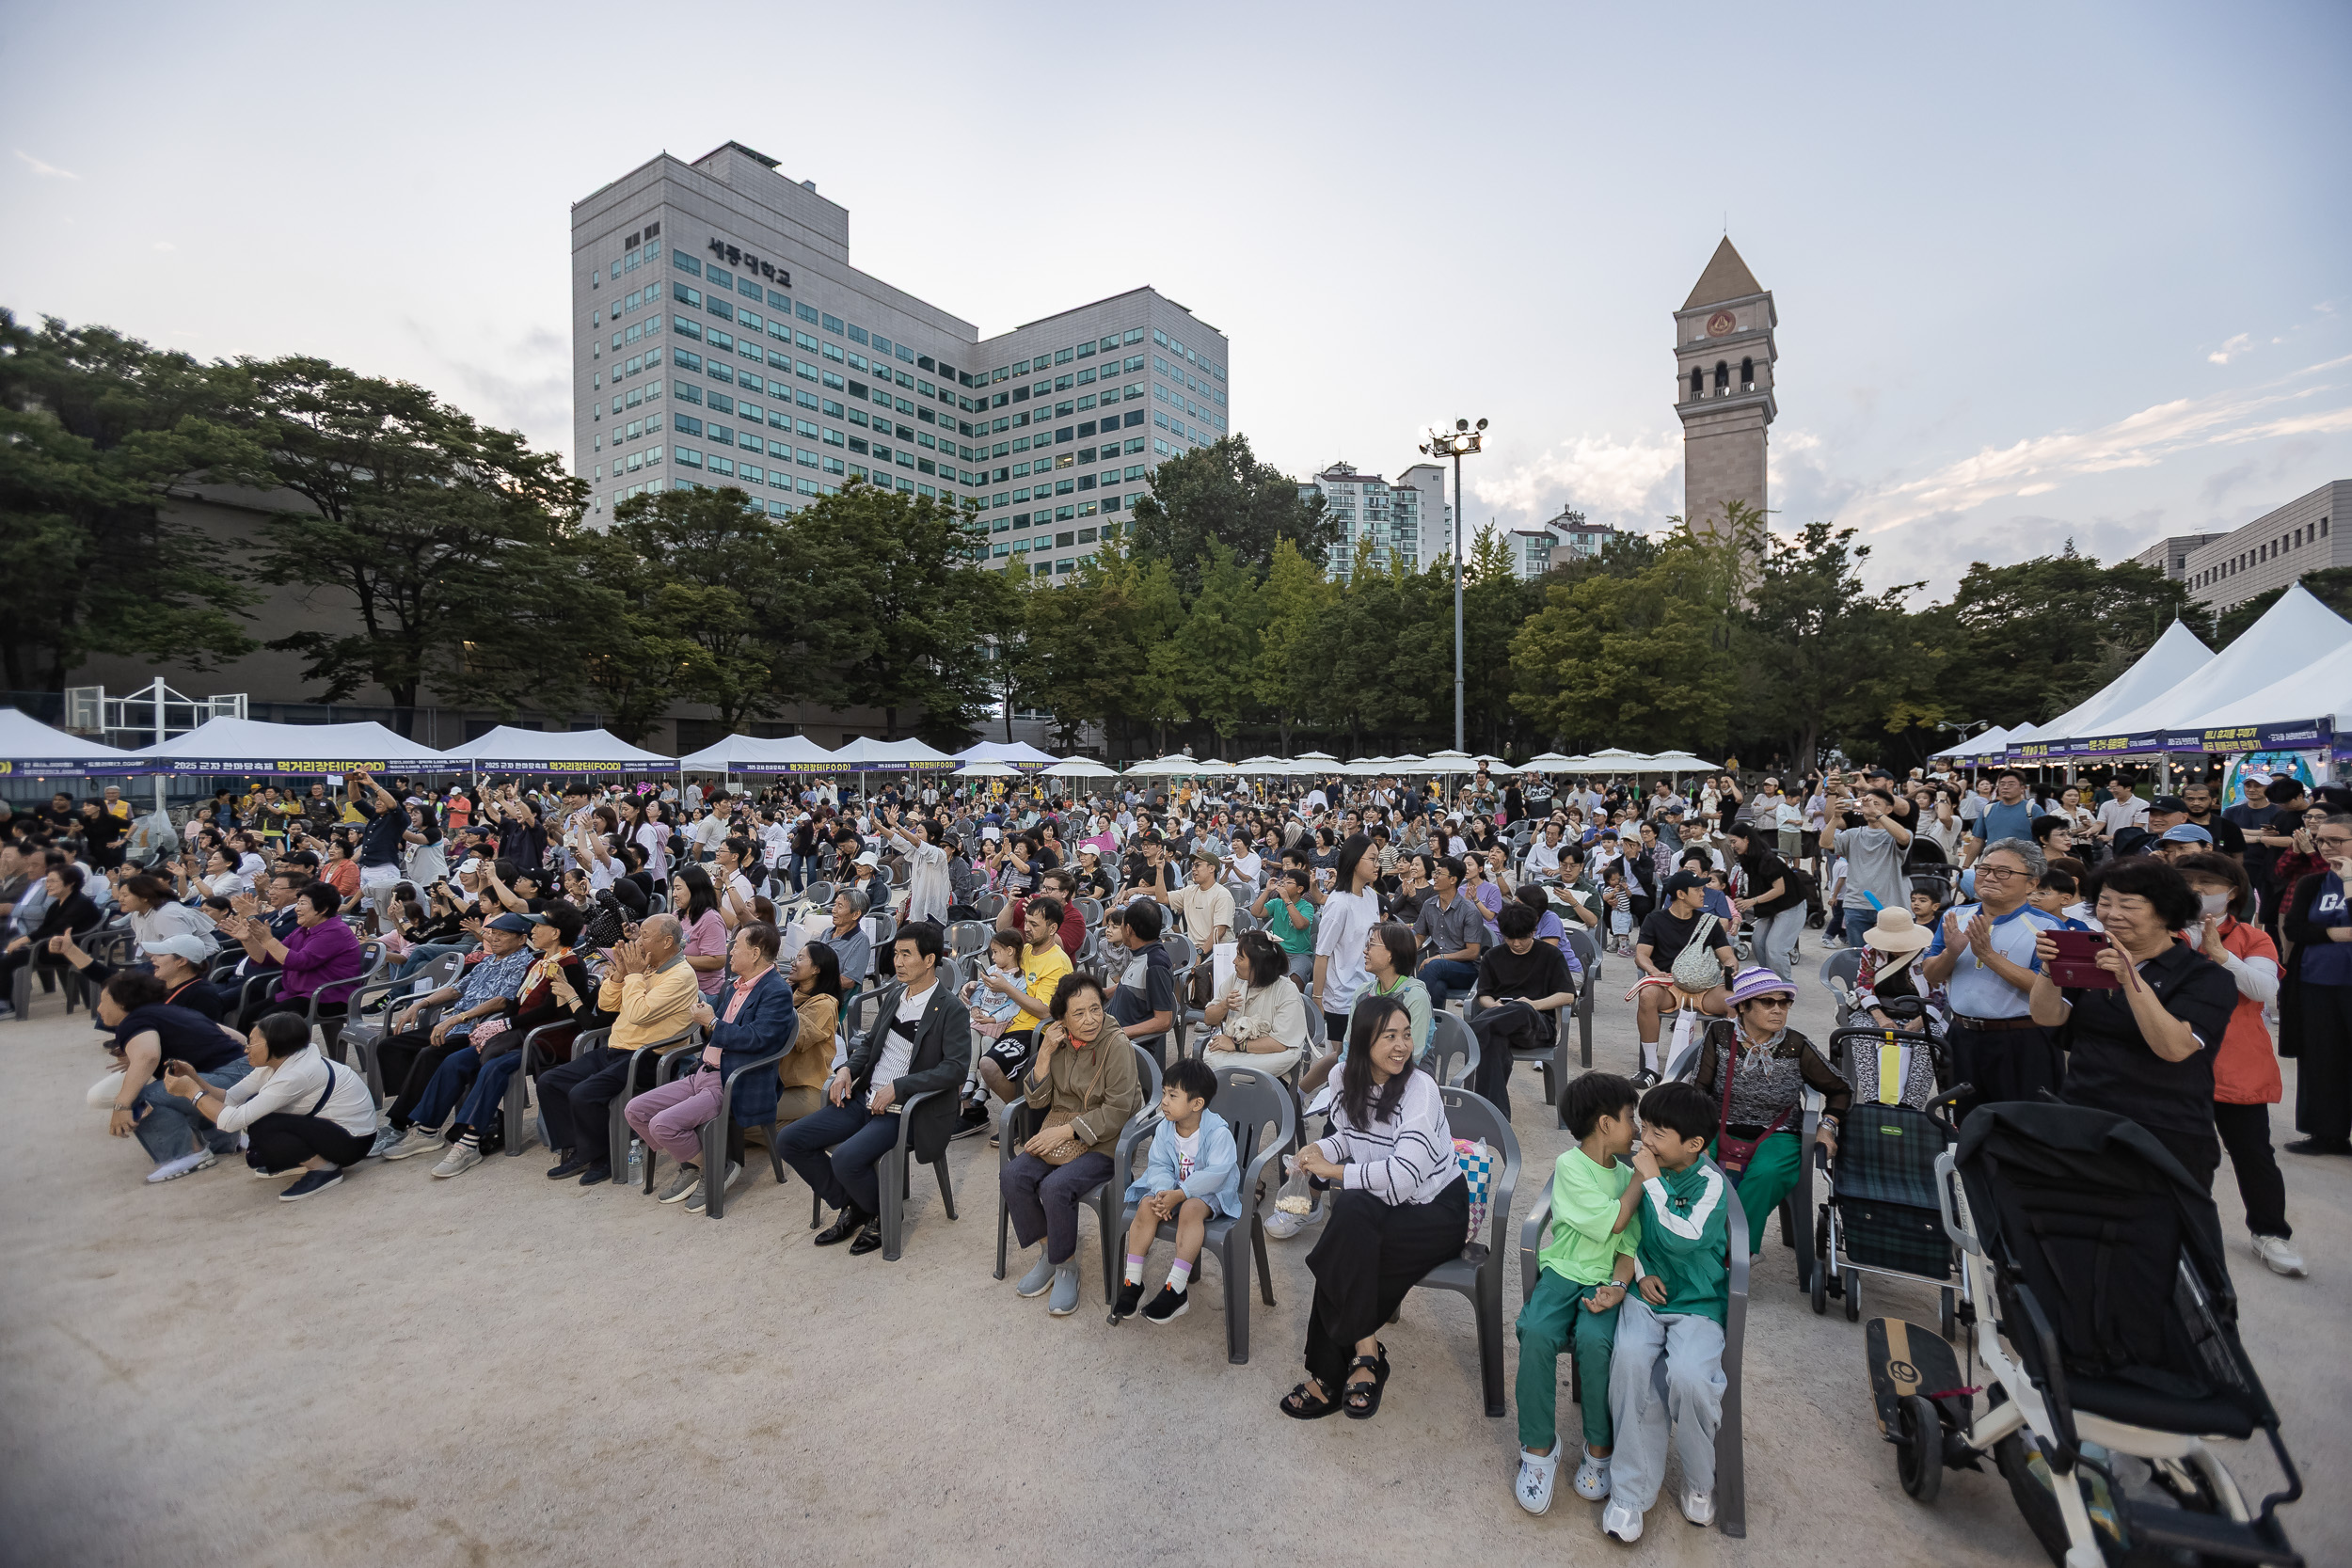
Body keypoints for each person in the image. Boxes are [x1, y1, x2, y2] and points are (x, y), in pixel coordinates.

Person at [1279, 995, 1466, 1421]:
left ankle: (1330, 1374)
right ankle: (1365, 1354)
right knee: (1350, 1224)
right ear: (1363, 1041)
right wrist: (1319, 1151)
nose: (1402, 1046)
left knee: (1344, 1243)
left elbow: (1404, 1178)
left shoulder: (1420, 1090)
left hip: (1435, 1210)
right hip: (1382, 1202)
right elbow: (1348, 1137)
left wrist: (1334, 1171)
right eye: (1389, 1037)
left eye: (1406, 1035)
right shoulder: (1343, 1077)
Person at [2027, 856, 2237, 1195]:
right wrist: (2050, 968)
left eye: (2129, 905)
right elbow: (2047, 1017)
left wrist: (2130, 979)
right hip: (2082, 1118)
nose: (2112, 914)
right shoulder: (2094, 959)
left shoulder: (2204, 977)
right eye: (2105, 903)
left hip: (2163, 1130)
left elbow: (2174, 1048)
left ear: (2166, 912)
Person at [781, 921, 971, 1254]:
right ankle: (859, 1205)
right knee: (790, 1140)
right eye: (895, 953)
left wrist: (900, 1087)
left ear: (929, 960)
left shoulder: (950, 1008)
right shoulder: (895, 994)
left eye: (906, 954)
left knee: (845, 1159)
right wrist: (846, 1070)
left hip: (904, 1111)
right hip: (865, 1097)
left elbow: (955, 1068)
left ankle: (885, 1214)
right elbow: (869, 1044)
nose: (897, 961)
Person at [1602, 1079, 1734, 1543]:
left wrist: (1653, 1182)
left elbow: (1685, 1238)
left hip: (1698, 1302)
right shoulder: (1643, 1171)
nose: (1645, 1139)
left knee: (1691, 1379)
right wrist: (1640, 1272)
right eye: (1644, 1127)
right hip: (1647, 1296)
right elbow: (1629, 1233)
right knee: (1630, 1363)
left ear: (1693, 1144)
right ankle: (1630, 1494)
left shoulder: (1711, 1184)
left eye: (1658, 1132)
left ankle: (1699, 1481)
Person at [1512, 1072, 1644, 1516]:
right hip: (1564, 1272)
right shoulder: (1571, 1166)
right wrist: (1642, 1179)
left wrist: (1619, 1288)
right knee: (1535, 1331)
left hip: (1604, 1280)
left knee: (1595, 1340)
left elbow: (1627, 1248)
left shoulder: (1626, 1175)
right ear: (1606, 1124)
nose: (1637, 1129)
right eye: (1630, 1118)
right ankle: (1538, 1449)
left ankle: (1599, 1448)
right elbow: (1615, 1221)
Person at [2170, 853, 2302, 1275]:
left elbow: (2264, 989)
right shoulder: (2163, 931)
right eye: (2187, 881)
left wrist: (2220, 954)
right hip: (2173, 1057)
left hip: (2236, 1061)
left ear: (2232, 892)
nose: (2196, 890)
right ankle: (2180, 1234)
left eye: (2206, 883)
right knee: (2181, 1153)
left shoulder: (2251, 936)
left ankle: (2270, 1233)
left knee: (2252, 1152)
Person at [627, 921, 800, 1212]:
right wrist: (706, 1019)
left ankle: (716, 1167)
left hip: (733, 1080)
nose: (729, 952)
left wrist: (713, 1022)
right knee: (636, 1110)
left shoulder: (776, 991)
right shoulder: (732, 986)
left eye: (736, 946)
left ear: (755, 953)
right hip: (703, 1073)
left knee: (662, 1124)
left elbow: (758, 1039)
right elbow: (714, 1030)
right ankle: (694, 1164)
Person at [999, 971, 1144, 1313]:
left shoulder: (1116, 1044)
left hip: (1106, 1142)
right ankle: (1051, 1253)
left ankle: (1066, 1267)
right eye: (1078, 1013)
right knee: (1013, 1175)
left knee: (1055, 1187)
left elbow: (1119, 1110)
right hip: (1060, 1132)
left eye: (1095, 1009)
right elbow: (1036, 1101)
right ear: (1062, 1019)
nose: (1091, 1019)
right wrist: (1045, 1053)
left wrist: (1065, 1132)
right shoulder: (1060, 1042)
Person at [1683, 966, 1848, 1253]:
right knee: (1690, 1158)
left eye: (1784, 1002)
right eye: (1767, 1002)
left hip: (1779, 1133)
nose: (1778, 1010)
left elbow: (1841, 1088)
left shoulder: (1796, 1045)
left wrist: (1827, 1127)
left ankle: (1733, 1254)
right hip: (1716, 1124)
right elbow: (1699, 1089)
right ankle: (1687, 1241)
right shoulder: (1720, 1033)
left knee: (1767, 1173)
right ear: (1742, 1006)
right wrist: (1697, 1134)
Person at [539, 915, 703, 1184]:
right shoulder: (648, 967)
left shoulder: (681, 975)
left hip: (650, 1057)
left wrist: (635, 974)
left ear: (667, 942)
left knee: (584, 1093)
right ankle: (578, 1149)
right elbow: (607, 1005)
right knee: (550, 1082)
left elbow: (639, 1014)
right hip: (617, 1050)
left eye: (645, 936)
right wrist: (619, 975)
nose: (637, 942)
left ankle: (603, 1158)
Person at [160, 1011, 379, 1200]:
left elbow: (231, 1122)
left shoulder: (296, 1075)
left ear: (275, 1044)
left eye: (251, 1043)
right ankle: (304, 1158)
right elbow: (230, 1098)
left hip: (353, 1142)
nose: (246, 1049)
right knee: (258, 1121)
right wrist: (193, 1077)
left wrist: (191, 1092)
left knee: (262, 1124)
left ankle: (324, 1169)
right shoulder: (281, 1061)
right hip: (338, 1130)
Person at [373, 914, 537, 1154]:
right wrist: (421, 1004)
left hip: (476, 1027)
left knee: (430, 1053)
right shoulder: (488, 961)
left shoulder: (523, 964)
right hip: (454, 1024)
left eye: (502, 935)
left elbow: (503, 1001)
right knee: (391, 1045)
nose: (494, 938)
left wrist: (458, 1018)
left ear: (522, 939)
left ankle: (399, 1123)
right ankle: (414, 1104)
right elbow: (456, 990)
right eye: (492, 933)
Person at [1923, 836, 2063, 1115]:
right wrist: (1952, 952)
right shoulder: (1956, 915)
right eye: (1984, 869)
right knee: (1966, 1120)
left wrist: (1988, 955)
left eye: (2003, 872)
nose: (1989, 877)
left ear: (2031, 884)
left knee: (2022, 1122)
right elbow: (1931, 974)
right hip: (1963, 1036)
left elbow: (2044, 987)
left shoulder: (2046, 927)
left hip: (2021, 1040)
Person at [1113, 1055, 1239, 1323]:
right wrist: (1162, 1192)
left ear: (1197, 1104)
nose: (1164, 1102)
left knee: (1191, 1208)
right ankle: (1133, 1282)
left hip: (1209, 1193)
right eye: (1164, 1093)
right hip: (1174, 1189)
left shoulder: (1218, 1133)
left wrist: (1181, 1194)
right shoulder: (1165, 1128)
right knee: (1147, 1205)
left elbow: (1217, 1174)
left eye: (1172, 1095)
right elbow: (1159, 1164)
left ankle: (1176, 1288)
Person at [93, 971, 252, 1182]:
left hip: (229, 1082)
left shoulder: (132, 1021)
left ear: (122, 1003)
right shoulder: (174, 1011)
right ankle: (228, 1139)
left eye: (103, 1001)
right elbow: (239, 1038)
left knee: (140, 1097)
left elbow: (148, 1056)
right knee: (175, 1085)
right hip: (246, 1076)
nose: (99, 1008)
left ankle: (185, 1155)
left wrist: (121, 1105)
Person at [2281, 810, 2352, 1156]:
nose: (2325, 846)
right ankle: (2326, 1133)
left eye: (2336, 840)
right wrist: (2336, 934)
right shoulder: (2313, 883)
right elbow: (2294, 929)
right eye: (2321, 840)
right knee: (2321, 1059)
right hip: (2316, 982)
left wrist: (2349, 881)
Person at [1466, 901, 1576, 1117]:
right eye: (1510, 938)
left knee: (1520, 1009)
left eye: (1522, 938)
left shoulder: (1550, 955)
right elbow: (1484, 995)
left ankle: (1468, 1032)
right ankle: (1493, 1117)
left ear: (1533, 932)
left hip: (1537, 1025)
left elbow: (1568, 995)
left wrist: (1533, 1004)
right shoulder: (1493, 956)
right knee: (1493, 1041)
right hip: (1499, 1025)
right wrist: (1493, 1005)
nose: (1516, 944)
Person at [1630, 872, 1737, 1084]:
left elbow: (1727, 956)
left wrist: (1731, 965)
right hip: (1670, 985)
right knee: (1647, 995)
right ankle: (1650, 1067)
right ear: (1681, 894)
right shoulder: (1655, 920)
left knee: (1734, 1001)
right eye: (1697, 890)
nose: (1703, 893)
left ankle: (1724, 1066)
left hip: (1705, 988)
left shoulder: (1710, 922)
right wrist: (1653, 971)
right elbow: (1641, 955)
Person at [226, 881, 368, 1031]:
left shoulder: (335, 932)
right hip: (299, 994)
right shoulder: (303, 930)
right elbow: (267, 958)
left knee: (267, 1019)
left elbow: (299, 962)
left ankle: (270, 1047)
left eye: (302, 904)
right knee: (250, 1014)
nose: (297, 909)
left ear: (322, 909)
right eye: (298, 903)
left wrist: (268, 940)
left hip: (327, 997)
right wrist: (248, 940)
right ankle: (246, 1047)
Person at [1198, 928, 1310, 1080]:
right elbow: (1208, 1019)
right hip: (1235, 1053)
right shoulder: (1235, 980)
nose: (1234, 962)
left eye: (1240, 958)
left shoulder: (1287, 991)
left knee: (1218, 1065)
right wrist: (1224, 1005)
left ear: (1258, 965)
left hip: (1269, 1056)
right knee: (1211, 1058)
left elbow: (1280, 1044)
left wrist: (1236, 1045)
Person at [0, 862, 100, 1017]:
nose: (48, 885)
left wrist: (22, 940)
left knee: (8, 960)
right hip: (55, 945)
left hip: (74, 948)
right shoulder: (58, 903)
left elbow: (55, 930)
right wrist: (23, 941)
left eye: (53, 881)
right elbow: (45, 929)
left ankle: (5, 1006)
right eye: (47, 881)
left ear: (70, 883)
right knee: (7, 955)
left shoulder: (80, 903)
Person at [1310, 833, 1382, 1045]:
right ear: (1354, 860)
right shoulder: (1339, 903)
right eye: (1372, 859)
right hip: (1342, 998)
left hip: (1368, 991)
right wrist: (1317, 998)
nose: (1377, 865)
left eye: (1378, 859)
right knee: (1340, 1058)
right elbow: (1322, 954)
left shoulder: (1371, 896)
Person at [1725, 823, 1806, 982]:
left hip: (1790, 906)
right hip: (1770, 907)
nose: (1732, 846)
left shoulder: (1768, 859)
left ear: (1746, 839)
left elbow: (1779, 889)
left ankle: (1783, 985)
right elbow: (1761, 885)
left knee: (1775, 948)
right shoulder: (1748, 858)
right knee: (1758, 943)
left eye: (1734, 841)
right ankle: (1768, 980)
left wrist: (1753, 901)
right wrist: (1746, 897)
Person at [1410, 855, 1486, 1014]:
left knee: (1434, 965)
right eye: (1434, 873)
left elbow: (1473, 952)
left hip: (1466, 969)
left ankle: (1410, 1011)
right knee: (1437, 987)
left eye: (1439, 873)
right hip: (1437, 970)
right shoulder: (1429, 905)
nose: (1434, 877)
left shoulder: (1469, 911)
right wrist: (1405, 951)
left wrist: (1440, 958)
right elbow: (1419, 936)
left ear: (1453, 880)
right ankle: (1433, 1024)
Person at [811, 889, 873, 989]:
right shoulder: (827, 932)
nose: (833, 910)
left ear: (856, 914)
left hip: (830, 992)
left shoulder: (860, 941)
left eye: (840, 906)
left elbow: (848, 981)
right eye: (834, 905)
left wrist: (812, 980)